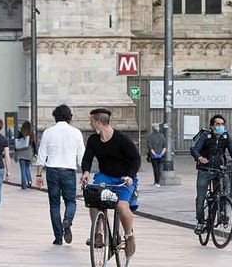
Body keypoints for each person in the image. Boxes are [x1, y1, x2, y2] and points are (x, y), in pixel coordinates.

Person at [80, 108, 141, 258]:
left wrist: (130, 176)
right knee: (93, 197)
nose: (90, 124)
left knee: (121, 205)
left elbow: (136, 159)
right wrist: (86, 172)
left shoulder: (121, 139)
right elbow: (87, 158)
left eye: (91, 122)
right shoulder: (93, 140)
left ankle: (129, 235)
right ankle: (98, 233)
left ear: (99, 123)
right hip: (105, 177)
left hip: (124, 177)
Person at [35, 105, 85, 245]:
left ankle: (58, 237)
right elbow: (81, 155)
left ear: (55, 116)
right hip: (68, 171)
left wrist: (39, 175)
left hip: (52, 171)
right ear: (69, 117)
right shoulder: (76, 132)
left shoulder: (48, 132)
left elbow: (42, 155)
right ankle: (68, 220)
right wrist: (84, 172)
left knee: (54, 205)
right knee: (71, 201)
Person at [191, 114, 232, 234]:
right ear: (212, 126)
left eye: (222, 124)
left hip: (219, 169)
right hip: (204, 170)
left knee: (225, 191)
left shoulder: (226, 137)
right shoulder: (206, 136)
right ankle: (200, 222)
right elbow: (194, 149)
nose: (220, 126)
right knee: (200, 198)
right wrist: (199, 158)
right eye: (218, 124)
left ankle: (222, 213)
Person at [15, 121, 36, 189]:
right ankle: (29, 182)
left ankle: (23, 185)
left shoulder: (20, 133)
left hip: (21, 153)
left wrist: (16, 152)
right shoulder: (32, 134)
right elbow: (34, 145)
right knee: (27, 168)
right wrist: (35, 153)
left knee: (23, 169)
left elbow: (17, 143)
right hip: (29, 153)